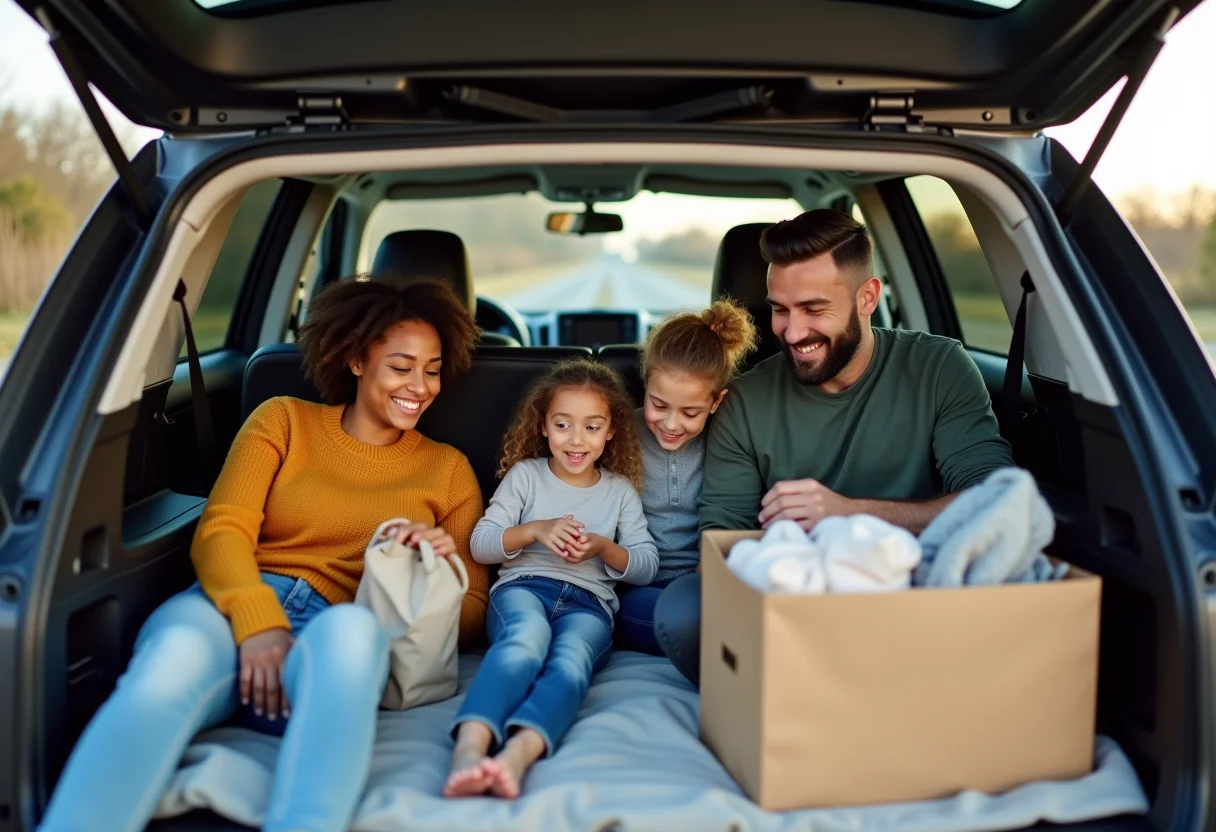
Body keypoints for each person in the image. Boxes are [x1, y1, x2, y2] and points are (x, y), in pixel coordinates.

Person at [40, 277, 490, 832]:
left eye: (433, 369)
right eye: (401, 367)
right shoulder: (283, 420)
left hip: (340, 625)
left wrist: (433, 570)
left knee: (353, 635)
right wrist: (259, 622)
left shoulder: (448, 470)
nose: (420, 386)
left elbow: (471, 611)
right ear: (354, 359)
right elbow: (222, 530)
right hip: (229, 608)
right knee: (164, 673)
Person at [653, 209, 1014, 685]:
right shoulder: (746, 398)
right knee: (682, 611)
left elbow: (996, 500)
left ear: (868, 297)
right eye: (780, 309)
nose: (793, 331)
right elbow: (722, 539)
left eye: (813, 309)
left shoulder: (939, 367)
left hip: (918, 595)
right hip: (792, 604)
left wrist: (850, 513)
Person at [445, 358, 658, 799]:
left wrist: (602, 546)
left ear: (611, 430)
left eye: (592, 427)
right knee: (525, 640)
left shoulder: (618, 491)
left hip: (591, 605)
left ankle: (519, 753)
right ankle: (470, 747)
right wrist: (535, 529)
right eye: (563, 425)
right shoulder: (527, 477)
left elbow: (645, 562)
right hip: (524, 590)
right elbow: (481, 544)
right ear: (543, 426)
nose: (576, 440)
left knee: (571, 658)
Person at [615, 299, 757, 654]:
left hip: (706, 581)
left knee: (715, 610)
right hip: (638, 586)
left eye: (690, 412)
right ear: (645, 385)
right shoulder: (618, 436)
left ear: (716, 402)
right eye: (659, 405)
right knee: (678, 619)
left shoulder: (730, 441)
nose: (671, 424)